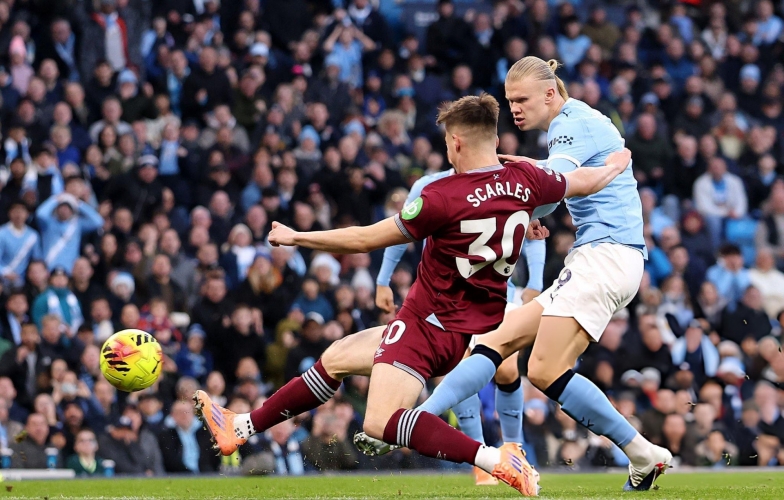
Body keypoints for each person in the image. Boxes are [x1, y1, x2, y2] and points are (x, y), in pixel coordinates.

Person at [195, 93, 631, 496]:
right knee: (338, 357)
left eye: (446, 143)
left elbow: (367, 238)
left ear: (456, 143)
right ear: (495, 140)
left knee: (381, 422)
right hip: (467, 333)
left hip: (426, 325)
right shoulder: (527, 179)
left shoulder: (440, 196)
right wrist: (615, 165)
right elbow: (583, 180)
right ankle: (242, 426)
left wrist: (298, 238)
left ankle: (495, 459)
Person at [355, 57, 672, 492]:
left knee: (543, 370)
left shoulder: (571, 123)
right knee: (492, 343)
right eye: (509, 101)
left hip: (607, 258)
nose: (515, 109)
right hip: (596, 258)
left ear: (550, 93)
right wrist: (525, 210)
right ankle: (421, 417)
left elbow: (551, 178)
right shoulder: (575, 124)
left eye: (522, 99)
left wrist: (514, 204)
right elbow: (546, 188)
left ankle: (638, 451)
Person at [373, 168, 550, 485]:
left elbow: (534, 226)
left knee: (507, 369)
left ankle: (513, 447)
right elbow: (398, 232)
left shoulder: (510, 182)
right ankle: (481, 460)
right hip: (445, 298)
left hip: (497, 292)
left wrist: (535, 282)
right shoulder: (429, 186)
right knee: (462, 363)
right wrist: (382, 279)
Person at [0, 201, 42, 288]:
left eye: (22, 211)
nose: (18, 215)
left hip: (23, 281)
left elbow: (36, 259)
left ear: (27, 214)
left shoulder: (33, 236)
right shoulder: (2, 233)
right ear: (9, 213)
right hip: (3, 280)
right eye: (15, 211)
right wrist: (5, 272)